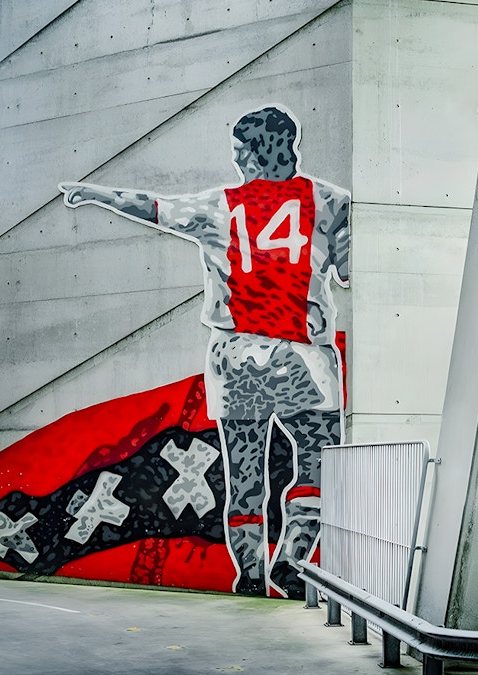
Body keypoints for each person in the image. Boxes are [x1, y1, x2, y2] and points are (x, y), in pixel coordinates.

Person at [58, 106, 349, 597]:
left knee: (245, 472)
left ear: (256, 154)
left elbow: (149, 206)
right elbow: (349, 269)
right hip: (303, 356)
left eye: (239, 152)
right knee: (321, 459)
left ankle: (251, 575)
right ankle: (294, 558)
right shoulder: (330, 201)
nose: (236, 161)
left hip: (235, 356)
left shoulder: (215, 206)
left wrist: (94, 194)